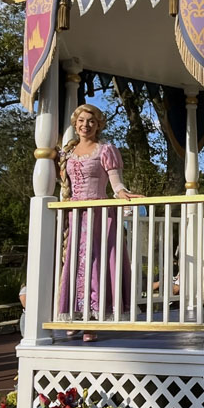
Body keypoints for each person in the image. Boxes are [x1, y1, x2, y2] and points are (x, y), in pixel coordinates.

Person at [58, 104, 142, 342]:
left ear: (98, 125)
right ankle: (74, 314)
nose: (86, 125)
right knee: (74, 262)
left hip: (99, 214)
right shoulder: (68, 154)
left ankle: (91, 321)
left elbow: (116, 184)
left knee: (96, 263)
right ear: (75, 124)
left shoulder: (105, 149)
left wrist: (124, 193)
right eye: (82, 121)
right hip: (76, 214)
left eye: (91, 121)